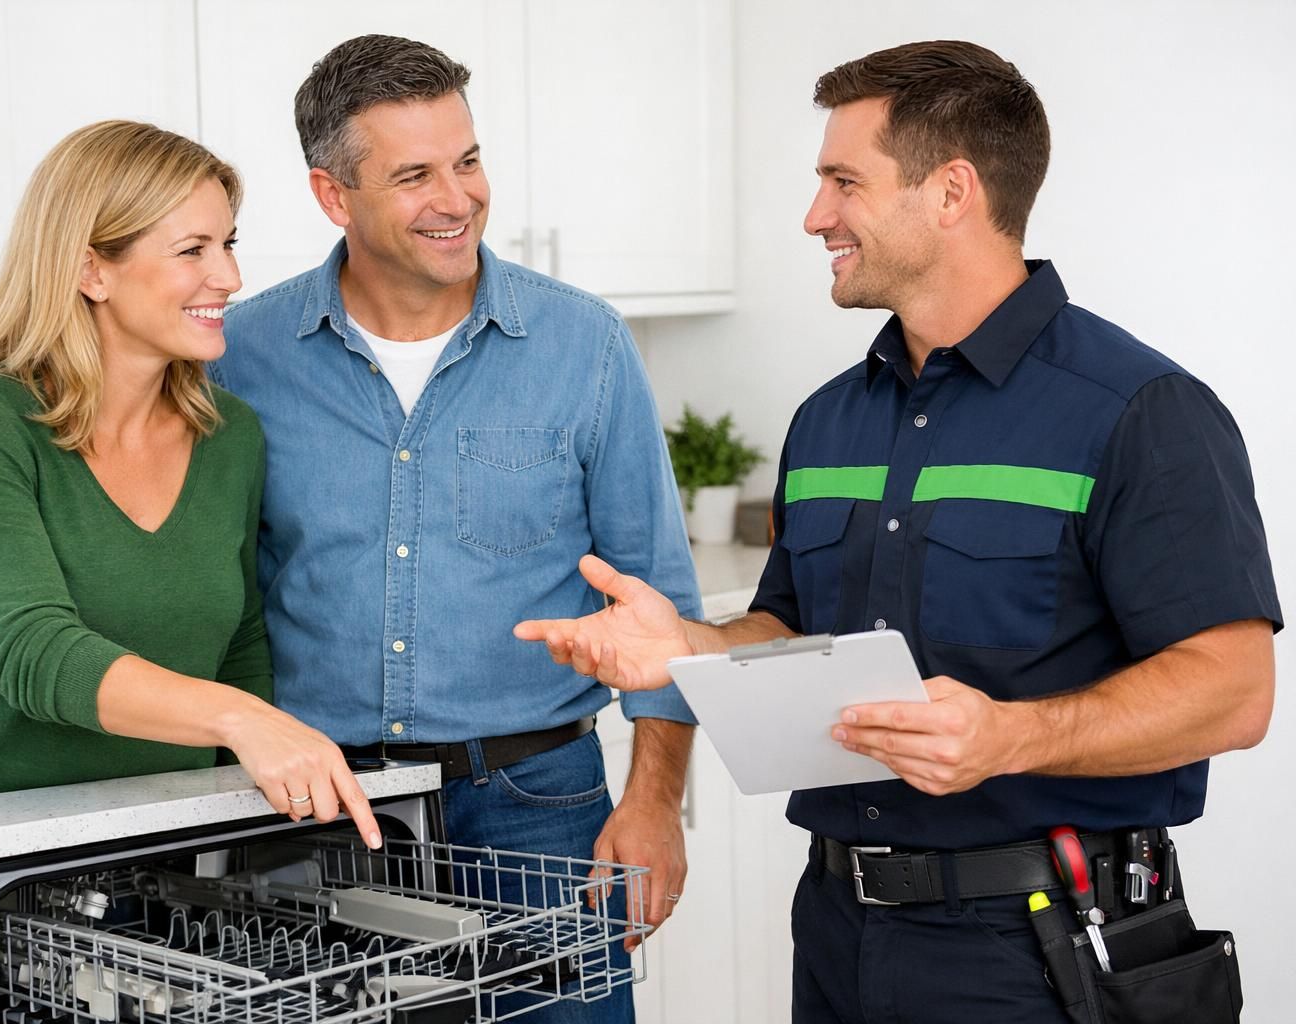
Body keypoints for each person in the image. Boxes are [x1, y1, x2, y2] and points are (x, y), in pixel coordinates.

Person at [514, 40, 1281, 1022]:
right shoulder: (830, 420)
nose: (814, 215)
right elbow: (789, 628)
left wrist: (1010, 737)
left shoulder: (1139, 411)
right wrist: (689, 648)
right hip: (837, 925)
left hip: (1042, 941)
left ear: (951, 191)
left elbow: (1233, 691)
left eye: (844, 181)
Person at [211, 34, 699, 1022]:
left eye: (468, 160)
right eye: (415, 174)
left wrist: (651, 802)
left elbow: (661, 601)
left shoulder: (584, 343)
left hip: (538, 810)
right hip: (309, 817)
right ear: (332, 194)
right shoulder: (241, 356)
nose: (459, 196)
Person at [0, 120, 382, 848]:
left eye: (228, 244)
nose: (229, 277)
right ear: (90, 271)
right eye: (192, 250)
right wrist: (243, 719)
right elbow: (33, 653)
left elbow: (239, 646)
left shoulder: (227, 435)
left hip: (146, 847)